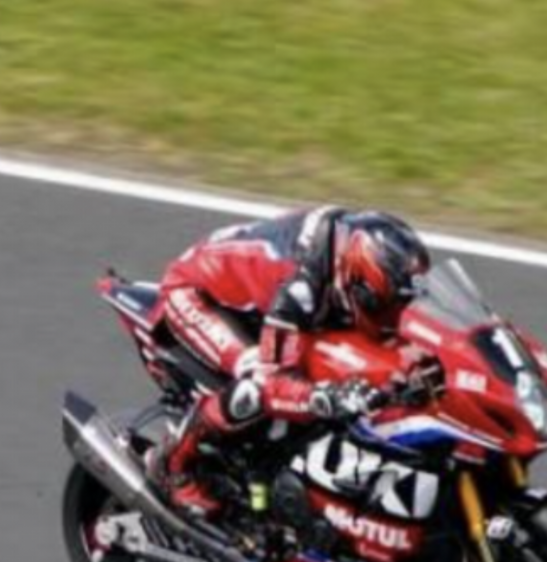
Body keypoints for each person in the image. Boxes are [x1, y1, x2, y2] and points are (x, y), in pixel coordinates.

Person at [147, 205, 432, 517]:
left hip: (258, 296)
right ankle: (171, 463)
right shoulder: (299, 286)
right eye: (382, 306)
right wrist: (326, 397)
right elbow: (273, 385)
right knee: (254, 387)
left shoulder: (353, 249)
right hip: (193, 292)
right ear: (353, 279)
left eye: (400, 304)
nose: (392, 318)